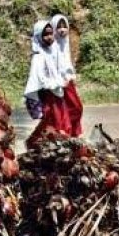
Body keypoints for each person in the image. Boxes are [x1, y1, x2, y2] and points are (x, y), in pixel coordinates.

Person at [24, 20, 69, 149]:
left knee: (59, 121)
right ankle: (35, 143)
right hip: (48, 95)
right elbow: (41, 80)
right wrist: (58, 83)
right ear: (38, 36)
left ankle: (57, 145)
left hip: (57, 92)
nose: (49, 37)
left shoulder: (52, 51)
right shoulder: (38, 56)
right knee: (53, 121)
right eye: (45, 35)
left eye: (51, 33)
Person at [50, 14, 83, 137]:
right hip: (57, 85)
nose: (62, 30)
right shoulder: (51, 46)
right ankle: (65, 137)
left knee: (76, 108)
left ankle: (73, 134)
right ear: (53, 28)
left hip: (68, 82)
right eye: (59, 27)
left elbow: (67, 63)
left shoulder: (65, 43)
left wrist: (71, 77)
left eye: (64, 26)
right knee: (60, 115)